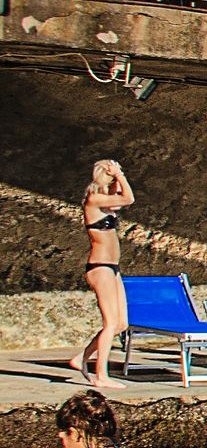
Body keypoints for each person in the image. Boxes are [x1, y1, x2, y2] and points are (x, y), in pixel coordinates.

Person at [70, 160, 133, 385]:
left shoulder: (107, 203)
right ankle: (101, 376)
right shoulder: (94, 200)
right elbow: (129, 198)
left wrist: (118, 177)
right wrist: (118, 174)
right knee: (110, 323)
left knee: (121, 324)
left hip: (113, 268)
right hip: (99, 267)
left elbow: (121, 199)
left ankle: (81, 358)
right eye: (113, 177)